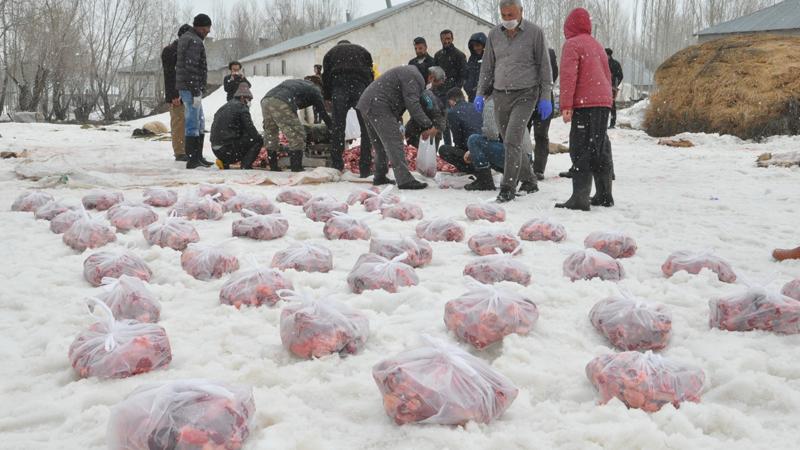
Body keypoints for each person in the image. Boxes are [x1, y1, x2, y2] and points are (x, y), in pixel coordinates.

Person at [475, 0, 552, 202]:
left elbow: (544, 67)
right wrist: (479, 93)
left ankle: (508, 186)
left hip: (526, 94)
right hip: (500, 94)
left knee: (512, 139)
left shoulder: (535, 33)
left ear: (521, 11)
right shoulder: (494, 35)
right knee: (510, 142)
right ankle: (530, 180)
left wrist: (545, 97)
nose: (508, 19)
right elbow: (487, 68)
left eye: (512, 15)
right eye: (504, 15)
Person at [555, 8, 614, 211]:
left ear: (569, 26)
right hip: (603, 102)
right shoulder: (597, 45)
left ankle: (580, 197)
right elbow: (607, 75)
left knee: (580, 147)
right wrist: (608, 101)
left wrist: (566, 105)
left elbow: (569, 77)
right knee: (599, 145)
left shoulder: (572, 44)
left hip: (585, 103)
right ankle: (605, 194)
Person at [356, 65, 444, 190]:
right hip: (379, 105)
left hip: (368, 102)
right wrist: (428, 124)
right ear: (431, 77)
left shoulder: (410, 72)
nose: (430, 85)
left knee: (380, 144)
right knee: (394, 142)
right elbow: (412, 104)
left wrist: (399, 122)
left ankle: (380, 175)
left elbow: (399, 100)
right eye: (434, 82)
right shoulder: (415, 76)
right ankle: (404, 180)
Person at [322, 40, 374, 176]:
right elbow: (370, 74)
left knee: (338, 128)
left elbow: (325, 77)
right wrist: (368, 92)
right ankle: (365, 168)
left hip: (339, 88)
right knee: (366, 130)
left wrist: (327, 96)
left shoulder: (330, 53)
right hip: (360, 88)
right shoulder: (362, 51)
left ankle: (337, 166)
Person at [464, 96, 537, 191]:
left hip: (515, 156)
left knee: (474, 140)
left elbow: (491, 133)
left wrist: (473, 150)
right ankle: (514, 176)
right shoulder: (511, 98)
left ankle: (485, 181)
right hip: (526, 157)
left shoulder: (492, 102)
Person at [261, 79, 332, 172]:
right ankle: (296, 167)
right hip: (281, 101)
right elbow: (322, 112)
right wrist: (331, 128)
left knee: (271, 134)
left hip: (266, 99)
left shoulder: (299, 84)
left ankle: (273, 165)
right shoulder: (315, 90)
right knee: (297, 135)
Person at [176, 13, 213, 169]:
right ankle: (192, 159)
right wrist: (196, 90)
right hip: (191, 88)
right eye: (207, 28)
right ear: (200, 27)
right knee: (193, 122)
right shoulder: (194, 41)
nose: (208, 32)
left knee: (199, 121)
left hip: (190, 87)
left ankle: (198, 156)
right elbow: (191, 68)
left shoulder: (189, 38)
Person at [210, 83, 263, 170]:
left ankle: (224, 162)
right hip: (228, 150)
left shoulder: (224, 106)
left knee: (240, 137)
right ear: (242, 98)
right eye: (248, 99)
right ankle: (246, 165)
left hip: (216, 149)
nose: (249, 102)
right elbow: (250, 129)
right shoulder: (242, 107)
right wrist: (260, 137)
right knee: (257, 140)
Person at [161, 23, 191, 162]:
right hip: (177, 95)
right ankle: (179, 152)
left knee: (188, 122)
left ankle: (188, 149)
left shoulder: (188, 51)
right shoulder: (170, 51)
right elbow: (169, 74)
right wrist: (174, 94)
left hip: (189, 93)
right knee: (178, 123)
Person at [528, 48, 559, 180]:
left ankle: (538, 169)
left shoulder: (549, 53)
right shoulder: (525, 50)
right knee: (524, 133)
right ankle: (526, 165)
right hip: (527, 98)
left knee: (540, 135)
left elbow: (553, 75)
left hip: (542, 98)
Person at [434, 29, 466, 146]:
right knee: (444, 124)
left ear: (452, 39)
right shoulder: (437, 56)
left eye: (448, 38)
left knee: (457, 122)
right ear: (441, 40)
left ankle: (460, 147)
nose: (446, 41)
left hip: (455, 96)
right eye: (444, 39)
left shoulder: (459, 55)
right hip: (441, 95)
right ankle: (447, 149)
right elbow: (435, 75)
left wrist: (455, 92)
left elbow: (463, 76)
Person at [438, 87, 482, 174]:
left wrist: (459, 154)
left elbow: (457, 139)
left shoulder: (452, 112)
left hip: (471, 154)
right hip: (484, 151)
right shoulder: (475, 107)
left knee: (443, 150)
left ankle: (470, 168)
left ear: (452, 100)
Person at [404, 82, 447, 149]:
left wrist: (432, 130)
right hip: (418, 125)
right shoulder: (410, 96)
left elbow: (441, 120)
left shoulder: (427, 98)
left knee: (427, 153)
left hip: (433, 126)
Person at [463, 32, 487, 103]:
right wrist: (467, 87)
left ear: (484, 45)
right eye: (474, 46)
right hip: (472, 96)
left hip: (485, 96)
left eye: (478, 45)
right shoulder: (472, 59)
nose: (476, 48)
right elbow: (466, 74)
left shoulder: (489, 58)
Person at [606, 48, 624, 129]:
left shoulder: (615, 64)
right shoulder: (602, 63)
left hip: (611, 87)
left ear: (609, 55)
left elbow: (620, 76)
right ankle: (605, 123)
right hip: (604, 87)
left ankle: (612, 123)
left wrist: (615, 84)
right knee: (605, 105)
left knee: (612, 105)